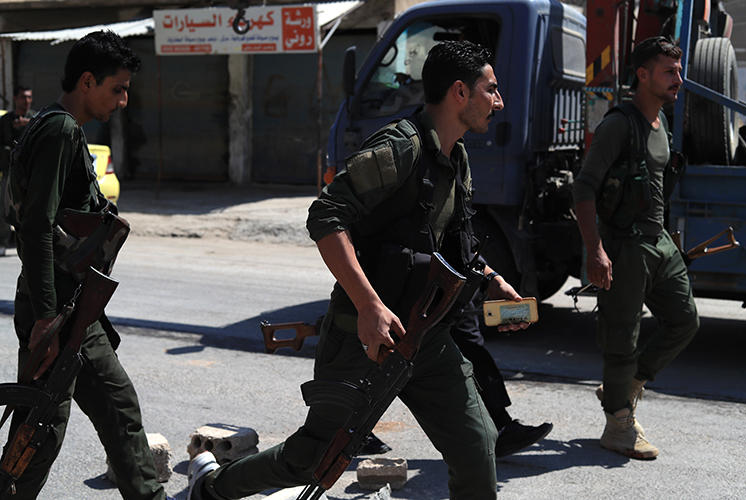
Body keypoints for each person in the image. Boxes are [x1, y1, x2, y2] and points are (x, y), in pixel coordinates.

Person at [187, 40, 529, 500]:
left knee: (477, 445)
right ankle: (211, 488)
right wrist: (369, 307)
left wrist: (490, 280)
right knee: (313, 458)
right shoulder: (400, 148)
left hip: (425, 339)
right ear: (459, 93)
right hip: (363, 338)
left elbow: (450, 244)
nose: (499, 100)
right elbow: (326, 217)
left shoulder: (456, 157)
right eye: (492, 89)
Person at [0, 31, 170, 499]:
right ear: (88, 81)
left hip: (69, 306)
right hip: (56, 308)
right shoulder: (59, 129)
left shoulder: (46, 124)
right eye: (117, 88)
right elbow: (35, 226)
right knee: (40, 428)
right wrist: (49, 318)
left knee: (116, 408)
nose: (123, 100)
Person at [573, 36, 699, 460]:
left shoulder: (661, 122)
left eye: (678, 71)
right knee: (621, 339)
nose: (678, 79)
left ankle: (625, 387)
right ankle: (618, 425)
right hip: (624, 245)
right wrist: (596, 251)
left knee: (685, 320)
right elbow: (584, 189)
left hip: (657, 241)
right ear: (643, 75)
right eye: (669, 71)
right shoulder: (618, 125)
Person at [450, 295, 552, 458]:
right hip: (436, 284)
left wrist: (493, 279)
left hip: (459, 285)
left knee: (470, 347)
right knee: (469, 347)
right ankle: (499, 426)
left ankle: (499, 426)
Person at [0, 85, 34, 256]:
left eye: (29, 97)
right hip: (10, 172)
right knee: (5, 209)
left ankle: (29, 242)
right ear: (15, 99)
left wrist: (28, 123)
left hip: (31, 174)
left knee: (32, 210)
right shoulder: (5, 121)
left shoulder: (36, 119)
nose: (26, 101)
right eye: (23, 97)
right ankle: (3, 242)